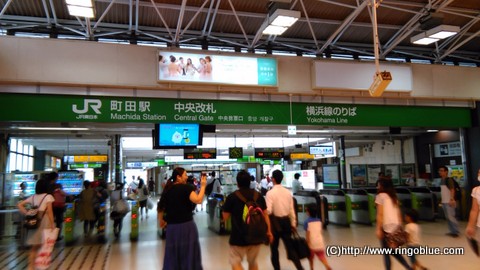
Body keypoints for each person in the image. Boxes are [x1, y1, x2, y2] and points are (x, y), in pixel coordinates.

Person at [222, 170, 273, 270]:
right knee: (253, 262)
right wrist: (269, 232)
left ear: (237, 183)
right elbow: (265, 215)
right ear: (250, 182)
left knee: (235, 261)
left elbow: (225, 217)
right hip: (256, 234)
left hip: (238, 236)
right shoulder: (258, 196)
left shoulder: (232, 197)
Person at [158, 167, 207, 270]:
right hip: (187, 227)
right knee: (189, 253)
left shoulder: (168, 189)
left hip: (172, 228)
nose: (186, 176)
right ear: (178, 177)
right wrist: (203, 186)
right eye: (185, 174)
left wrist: (161, 220)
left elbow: (160, 208)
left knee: (172, 255)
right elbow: (198, 200)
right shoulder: (186, 188)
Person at [266, 169, 304, 270]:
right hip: (286, 222)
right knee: (290, 247)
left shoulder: (270, 193)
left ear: (273, 179)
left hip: (275, 224)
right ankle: (300, 268)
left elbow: (268, 211)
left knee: (274, 249)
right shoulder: (288, 193)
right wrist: (293, 223)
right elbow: (292, 210)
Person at [17, 178, 55, 270]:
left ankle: (31, 267)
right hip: (44, 222)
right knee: (44, 246)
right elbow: (49, 211)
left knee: (34, 247)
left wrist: (27, 213)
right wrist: (52, 224)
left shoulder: (33, 197)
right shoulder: (48, 196)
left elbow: (19, 205)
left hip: (34, 223)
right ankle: (42, 266)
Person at [375, 178, 411, 270]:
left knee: (386, 252)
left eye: (378, 185)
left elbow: (380, 214)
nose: (377, 186)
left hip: (386, 226)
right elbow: (398, 212)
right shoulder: (393, 197)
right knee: (392, 251)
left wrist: (378, 229)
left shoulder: (380, 196)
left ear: (382, 186)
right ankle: (408, 267)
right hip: (395, 226)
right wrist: (400, 226)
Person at [303, 203, 331, 270]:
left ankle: (312, 268)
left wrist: (307, 242)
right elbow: (320, 231)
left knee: (310, 257)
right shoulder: (319, 221)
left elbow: (308, 234)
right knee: (321, 256)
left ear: (308, 212)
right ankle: (327, 266)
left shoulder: (306, 222)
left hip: (311, 243)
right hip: (319, 242)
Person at [438, 165, 460, 237]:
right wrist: (442, 200)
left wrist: (452, 199)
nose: (440, 172)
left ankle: (455, 231)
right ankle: (452, 231)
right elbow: (443, 191)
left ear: (446, 172)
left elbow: (452, 190)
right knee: (448, 217)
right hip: (444, 201)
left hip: (449, 201)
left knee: (451, 217)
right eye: (439, 171)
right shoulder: (441, 180)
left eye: (441, 171)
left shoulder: (449, 180)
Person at [466, 168, 480, 242]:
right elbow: (474, 210)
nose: (479, 175)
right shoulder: (476, 190)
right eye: (479, 173)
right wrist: (470, 225)